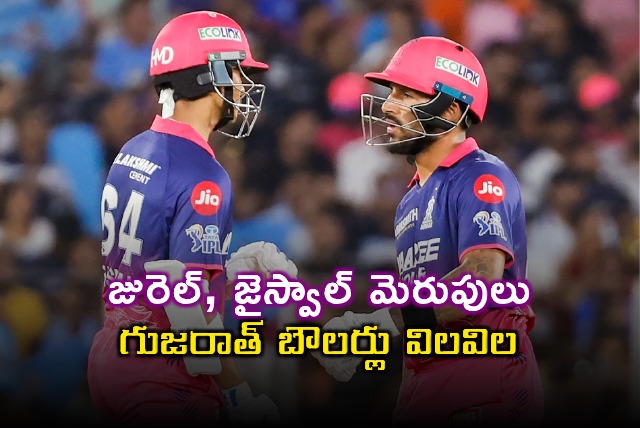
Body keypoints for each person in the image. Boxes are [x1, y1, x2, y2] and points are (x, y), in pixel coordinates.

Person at [312, 36, 544, 426]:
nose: (388, 105)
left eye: (406, 94)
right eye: (391, 93)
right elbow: (422, 323)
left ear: (451, 109)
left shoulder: (480, 174)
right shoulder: (409, 200)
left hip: (484, 383)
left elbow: (480, 281)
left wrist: (381, 324)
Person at [87, 10, 298, 425]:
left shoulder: (132, 149)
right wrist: (238, 392)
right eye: (237, 71)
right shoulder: (203, 173)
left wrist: (227, 270)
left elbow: (151, 270)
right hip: (163, 375)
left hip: (114, 355)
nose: (244, 85)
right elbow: (187, 313)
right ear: (210, 74)